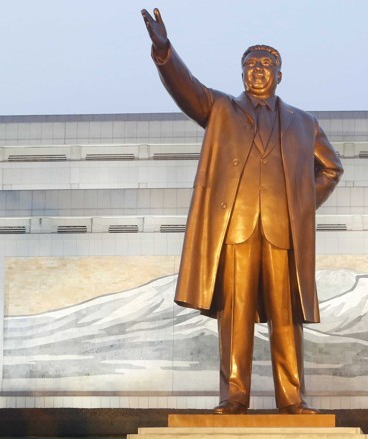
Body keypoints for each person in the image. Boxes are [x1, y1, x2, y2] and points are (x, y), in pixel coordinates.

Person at [141, 8, 343, 415]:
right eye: (250, 65)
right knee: (234, 318)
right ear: (241, 73)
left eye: (266, 65)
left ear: (280, 75)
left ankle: (292, 398)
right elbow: (186, 88)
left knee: (287, 319)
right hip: (235, 231)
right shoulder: (220, 110)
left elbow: (332, 168)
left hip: (282, 233)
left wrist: (300, 206)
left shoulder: (304, 122)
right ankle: (235, 396)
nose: (257, 71)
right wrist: (164, 50)